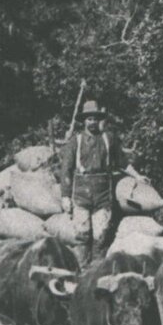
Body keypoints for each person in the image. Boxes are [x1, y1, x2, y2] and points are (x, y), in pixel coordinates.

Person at [58, 98, 130, 267]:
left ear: (99, 120)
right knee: (82, 236)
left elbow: (123, 162)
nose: (92, 122)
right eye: (89, 119)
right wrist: (65, 196)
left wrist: (138, 176)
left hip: (103, 196)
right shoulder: (76, 141)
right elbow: (66, 170)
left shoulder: (108, 139)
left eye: (95, 119)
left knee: (101, 236)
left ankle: (97, 271)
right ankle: (81, 270)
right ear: (84, 121)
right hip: (81, 196)